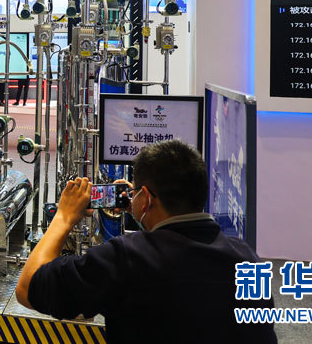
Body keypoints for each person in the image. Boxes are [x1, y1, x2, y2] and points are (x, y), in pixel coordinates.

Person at [15, 139, 276, 343]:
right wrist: (140, 206)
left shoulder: (124, 259)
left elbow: (27, 289)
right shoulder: (247, 259)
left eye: (137, 192)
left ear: (147, 198)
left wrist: (64, 216)